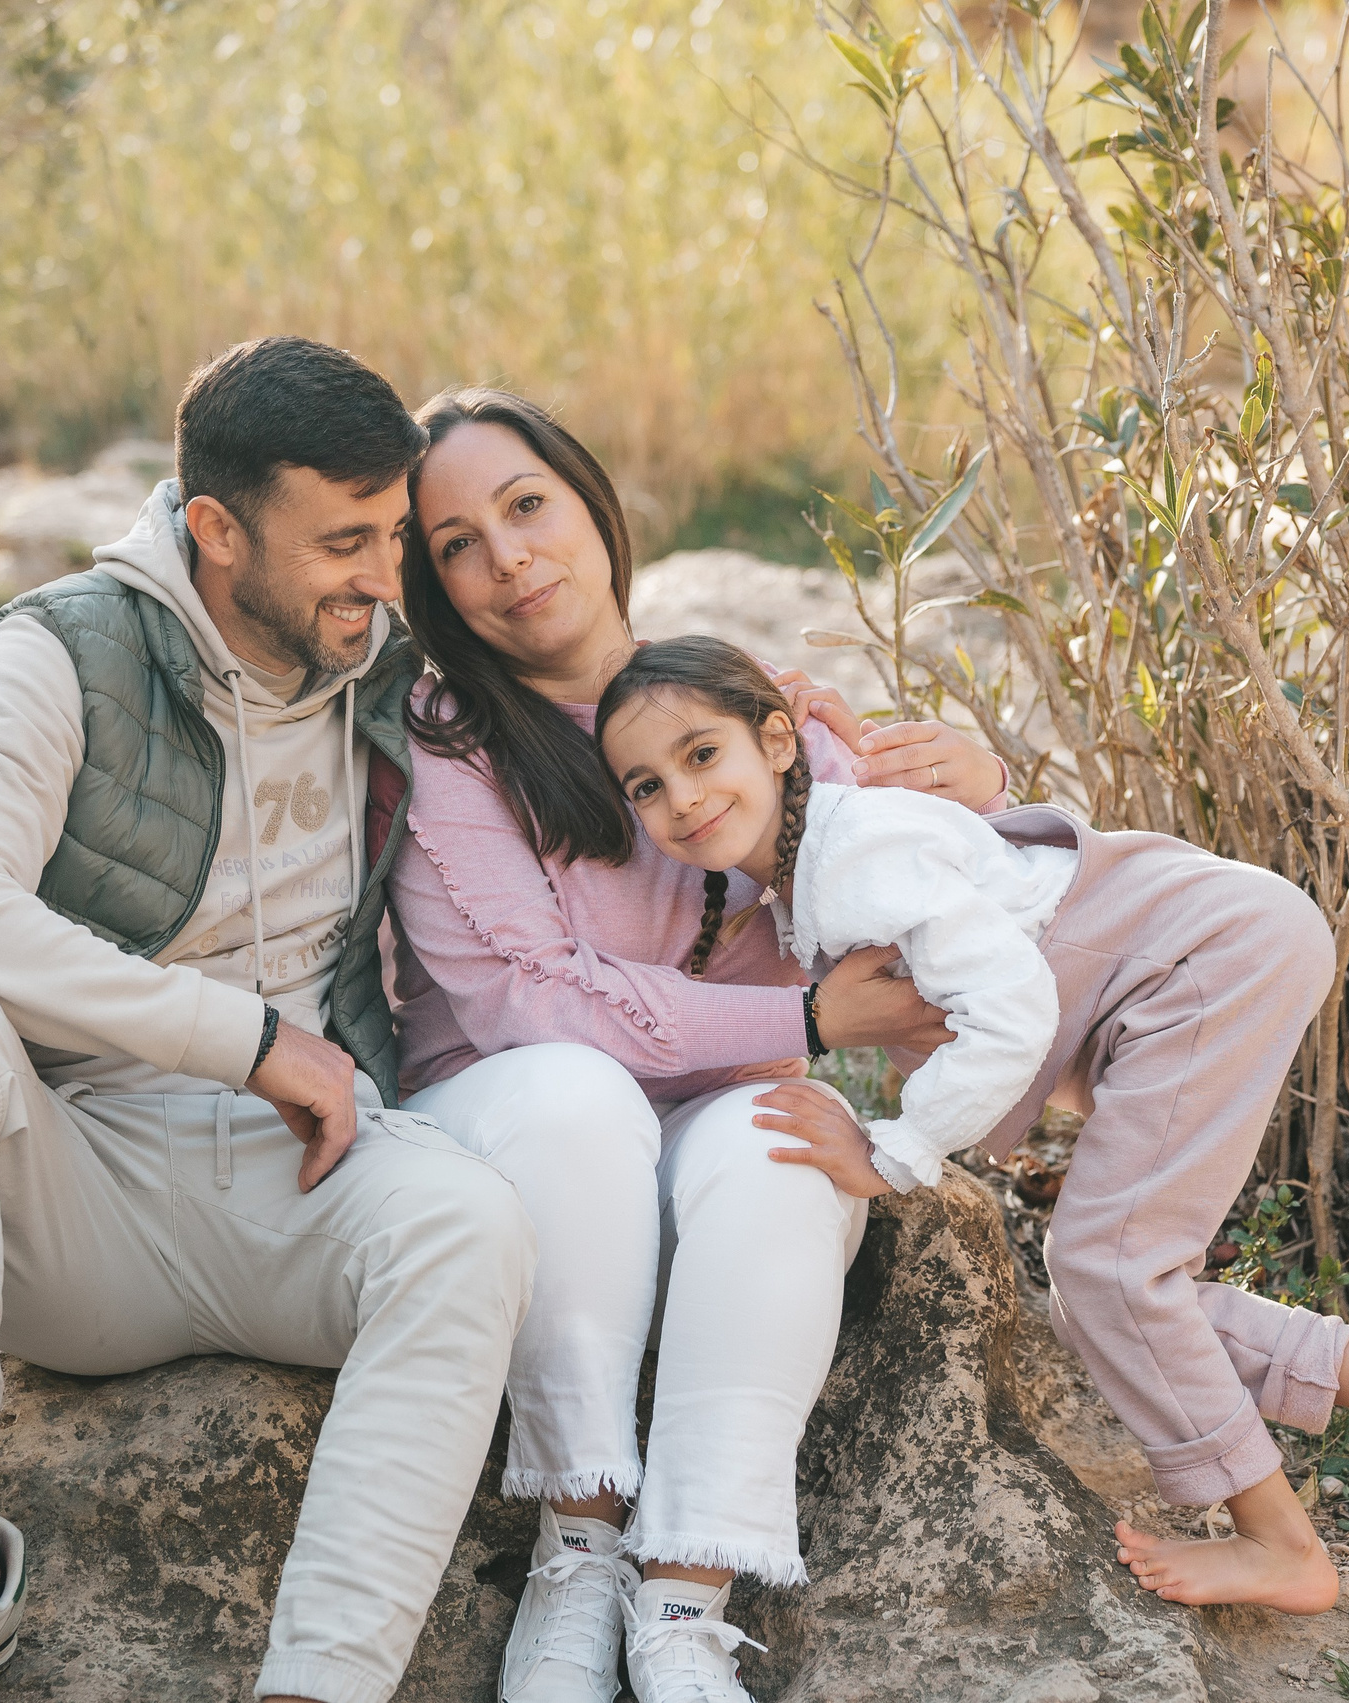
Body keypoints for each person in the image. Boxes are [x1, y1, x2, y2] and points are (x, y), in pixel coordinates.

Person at [0, 338, 538, 1703]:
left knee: (469, 1225)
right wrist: (245, 1041)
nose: (382, 574)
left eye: (393, 535)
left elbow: (613, 691)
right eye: (343, 541)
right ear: (217, 530)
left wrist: (821, 743)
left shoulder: (392, 652)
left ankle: (317, 1686)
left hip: (299, 1177)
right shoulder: (66, 648)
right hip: (76, 1186)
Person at [590, 634, 1349, 1621]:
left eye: (702, 754)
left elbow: (1012, 1009)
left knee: (1108, 1265)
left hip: (1205, 959)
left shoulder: (857, 854)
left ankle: (1281, 1544)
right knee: (1105, 1297)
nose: (683, 797)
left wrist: (892, 1149)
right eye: (646, 786)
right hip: (1190, 964)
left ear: (777, 742)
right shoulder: (812, 863)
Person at [379, 388, 1011, 1703]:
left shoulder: (739, 701)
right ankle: (578, 1548)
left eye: (527, 504)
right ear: (433, 586)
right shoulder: (448, 740)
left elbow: (946, 898)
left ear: (593, 503)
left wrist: (980, 787)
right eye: (457, 544)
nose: (509, 556)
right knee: (576, 1089)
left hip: (706, 1119)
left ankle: (684, 1604)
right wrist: (809, 1019)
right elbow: (533, 1005)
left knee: (786, 1149)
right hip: (510, 1129)